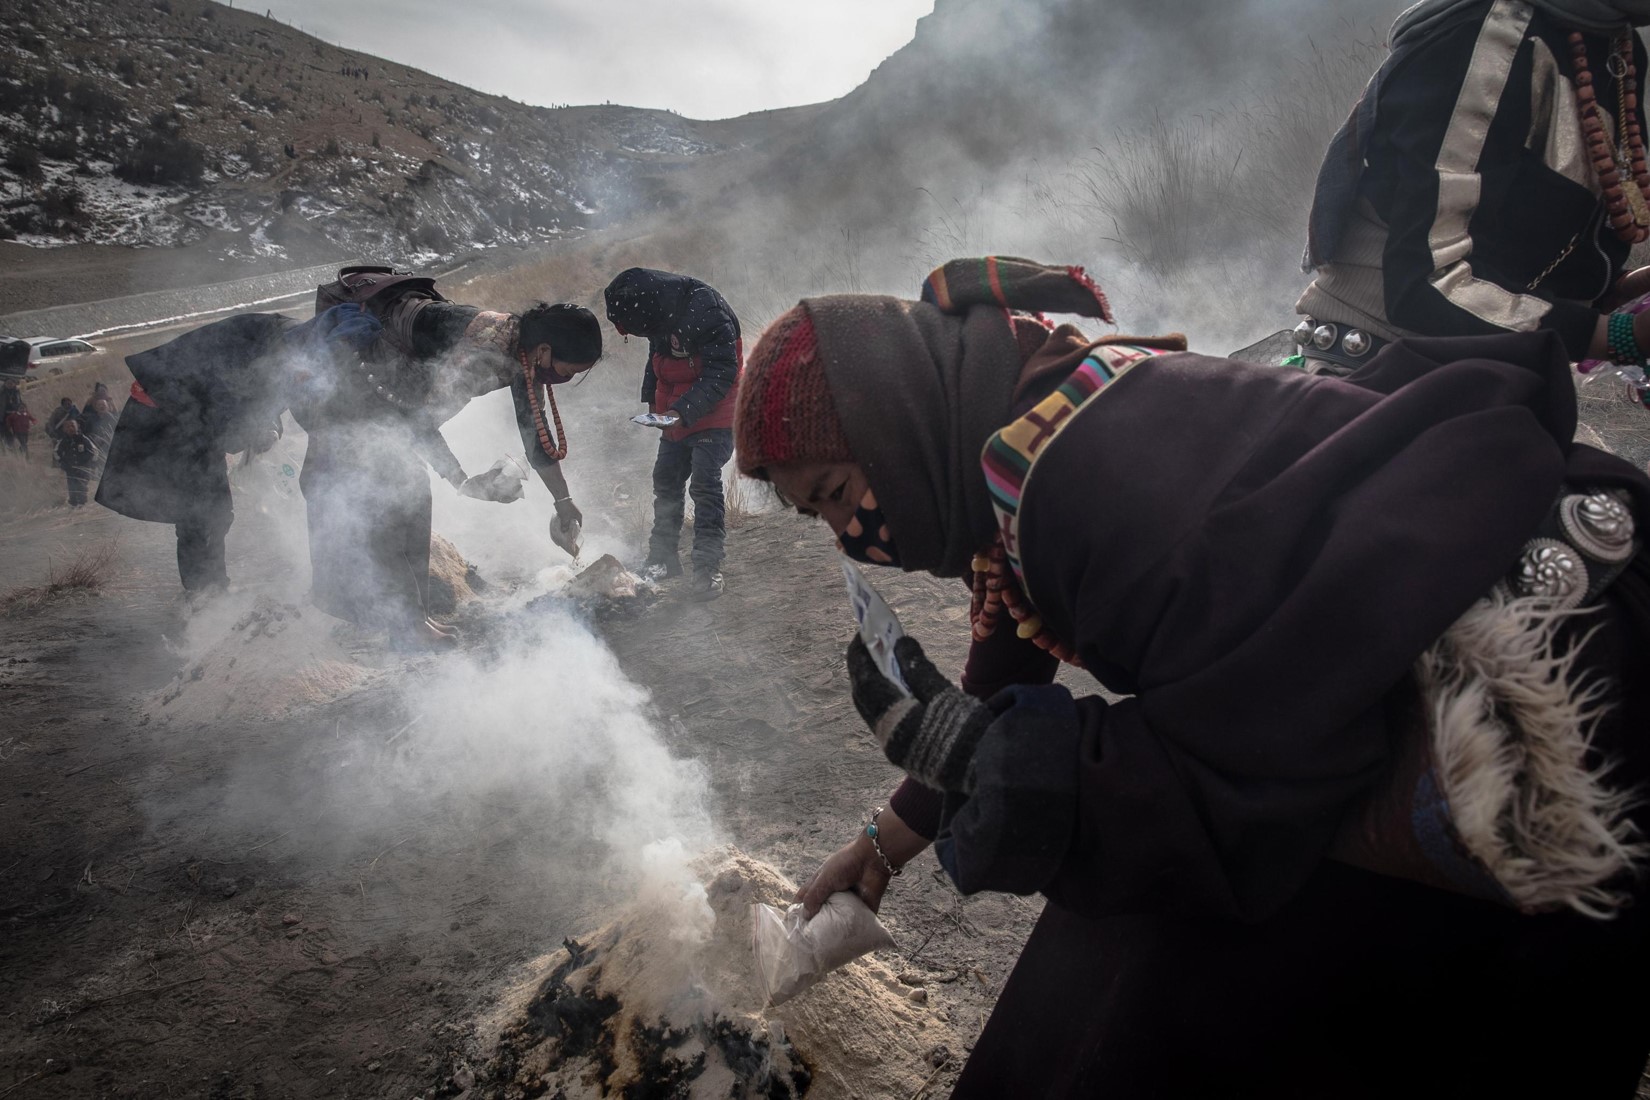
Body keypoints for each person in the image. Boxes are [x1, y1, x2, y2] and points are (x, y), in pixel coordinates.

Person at [734, 256, 1650, 1096]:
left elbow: (1257, 749)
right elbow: (1018, 653)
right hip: (1394, 672)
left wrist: (997, 765)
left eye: (839, 493)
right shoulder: (1031, 416)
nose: (849, 534)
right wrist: (888, 838)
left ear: (898, 420)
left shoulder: (1077, 480)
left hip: (1534, 719)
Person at [1297, 1, 1650, 376]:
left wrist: (1609, 290)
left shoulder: (1616, 44)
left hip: (1478, 376)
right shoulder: (1493, 34)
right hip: (1381, 368)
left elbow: (1518, 235)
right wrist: (1617, 335)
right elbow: (1423, 281)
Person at [288, 295, 601, 644]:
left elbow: (534, 431)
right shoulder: (484, 353)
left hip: (387, 403)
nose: (566, 378)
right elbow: (417, 423)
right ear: (544, 350)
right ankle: (406, 627)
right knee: (397, 496)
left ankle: (413, 620)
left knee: (411, 497)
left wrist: (563, 501)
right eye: (568, 371)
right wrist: (463, 481)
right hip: (352, 395)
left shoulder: (521, 348)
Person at [97, 314, 295, 595]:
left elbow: (266, 399)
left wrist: (269, 427)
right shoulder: (252, 345)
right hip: (168, 419)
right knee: (201, 514)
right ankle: (204, 593)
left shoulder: (276, 342)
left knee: (211, 513)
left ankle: (208, 589)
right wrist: (254, 432)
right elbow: (228, 413)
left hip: (192, 422)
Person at [603, 268, 741, 600]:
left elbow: (723, 372)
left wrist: (681, 413)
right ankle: (663, 559)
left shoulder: (707, 312)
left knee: (704, 487)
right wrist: (655, 405)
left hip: (715, 413)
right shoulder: (660, 312)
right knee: (666, 480)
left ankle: (708, 569)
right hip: (675, 415)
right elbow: (657, 361)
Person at [55, 419, 97, 507]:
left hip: (83, 468)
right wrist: (62, 462)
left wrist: (90, 463)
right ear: (64, 429)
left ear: (77, 427)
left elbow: (94, 451)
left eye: (72, 426)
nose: (70, 428)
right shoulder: (63, 441)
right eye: (67, 426)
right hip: (70, 468)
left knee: (82, 485)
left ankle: (82, 502)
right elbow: (56, 452)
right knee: (72, 485)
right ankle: (73, 502)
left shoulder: (83, 439)